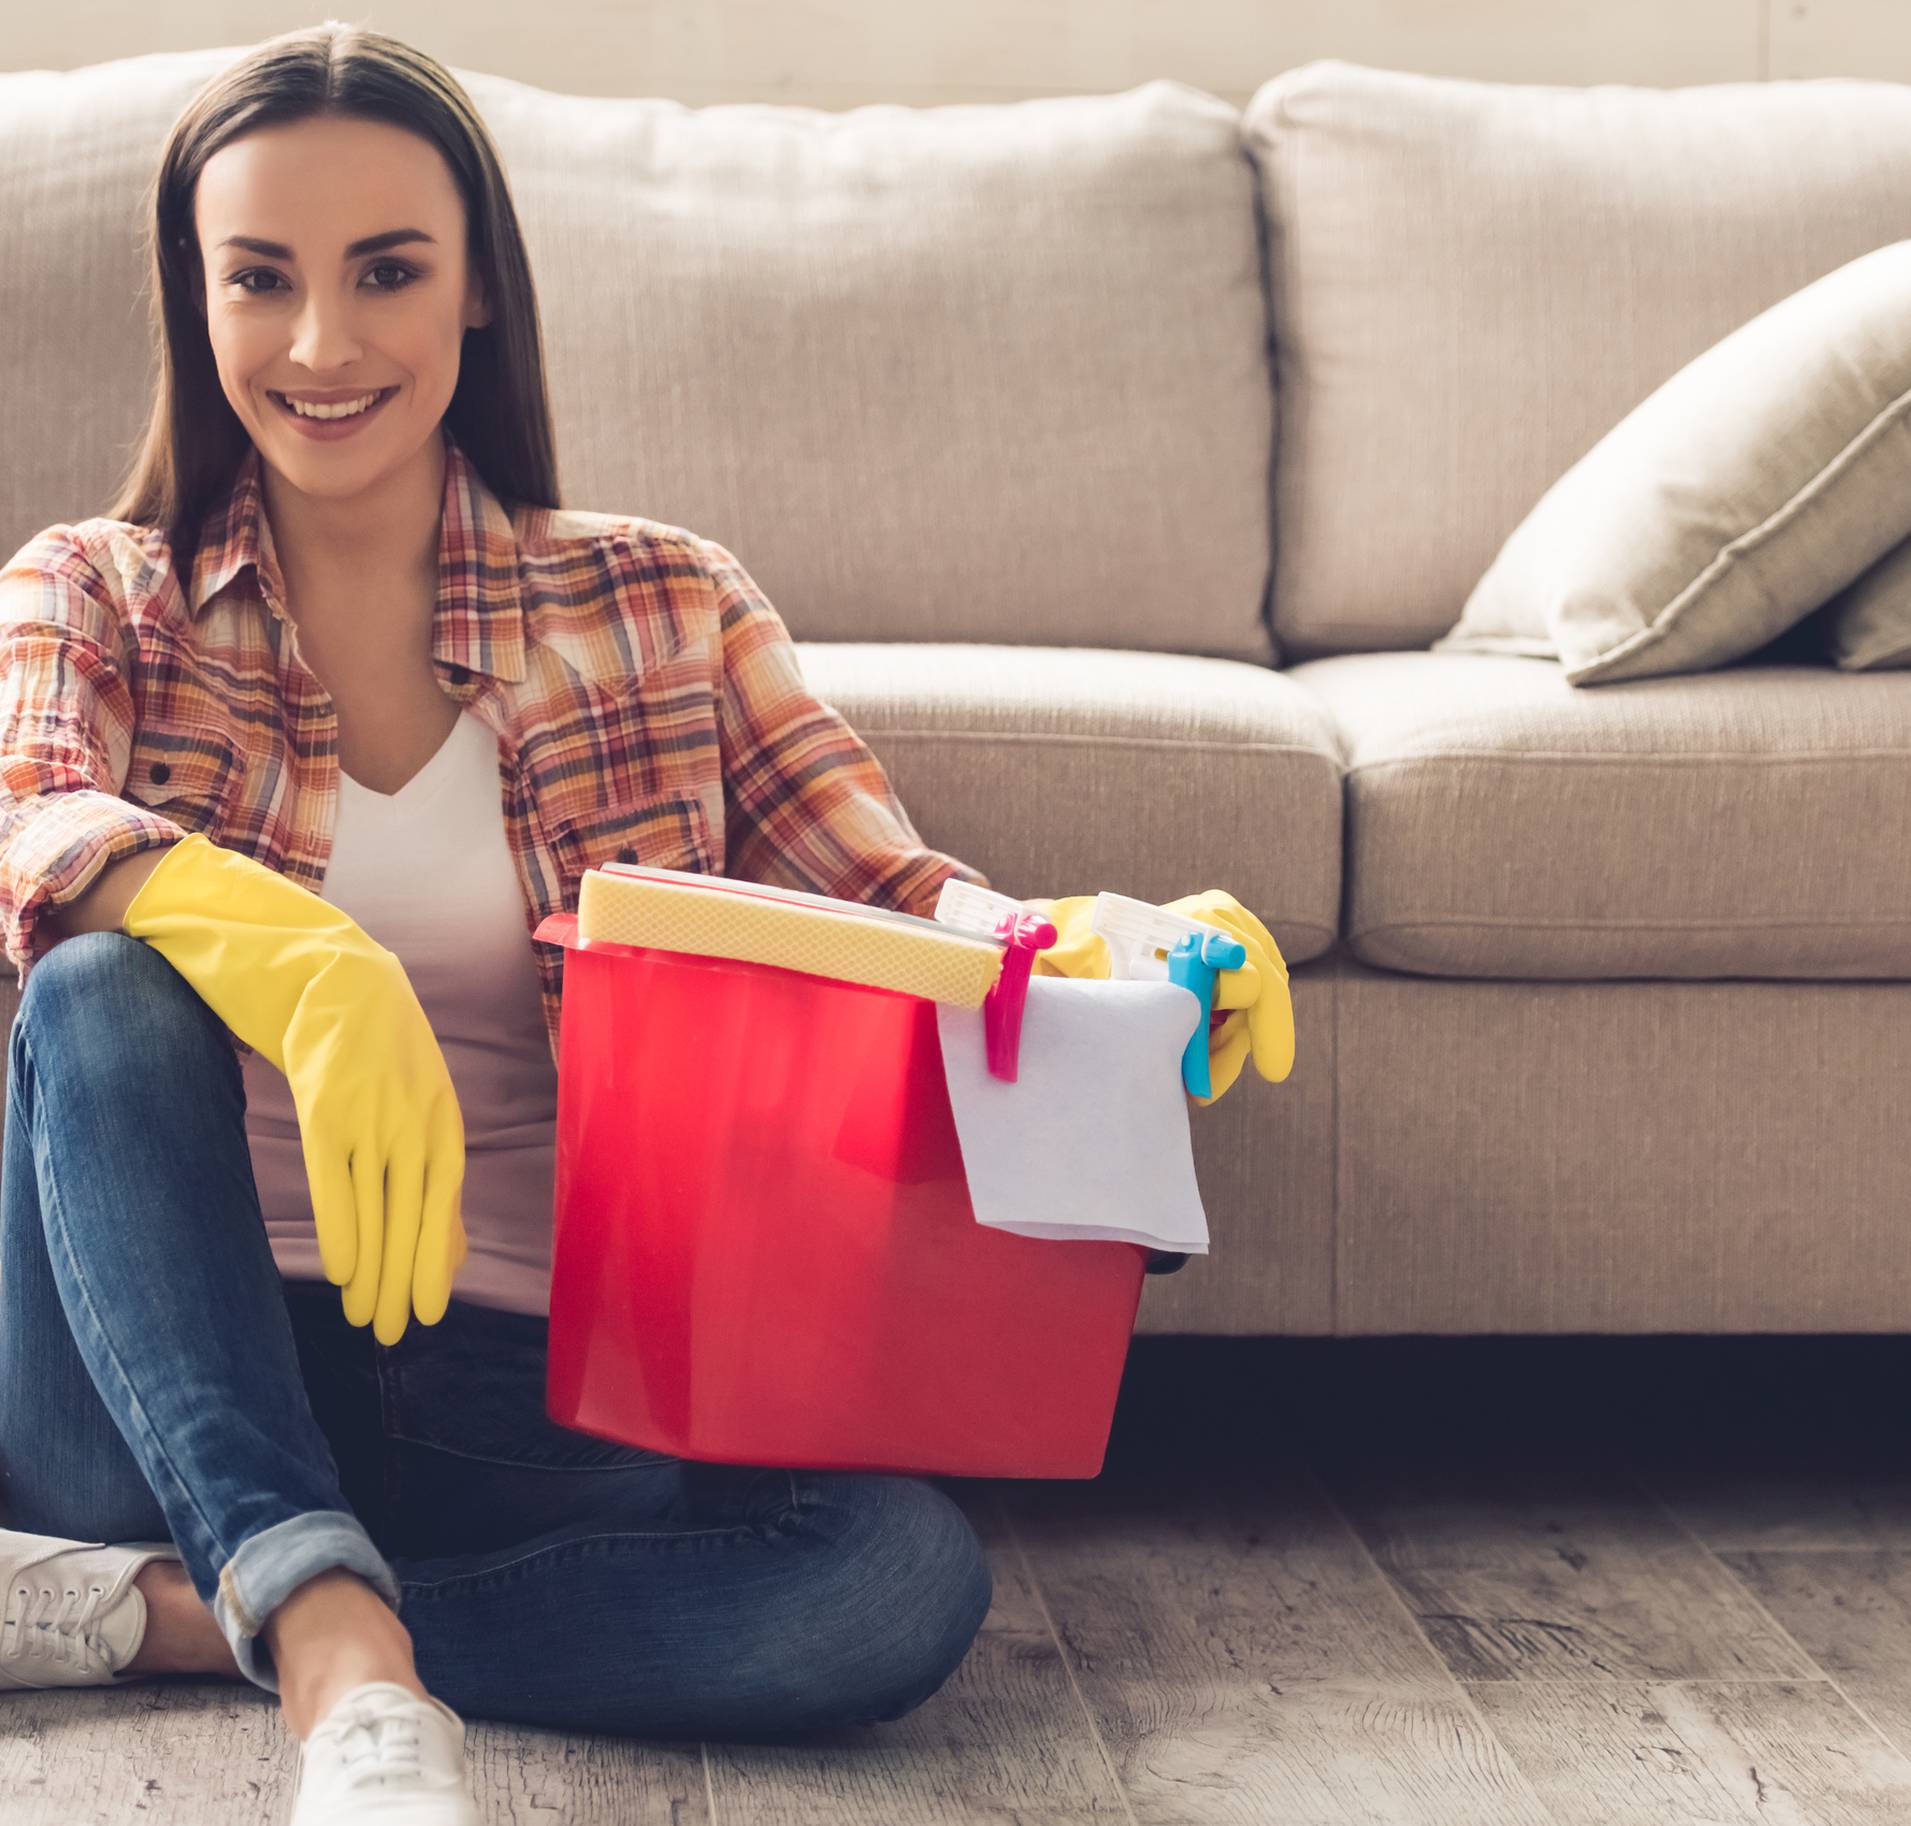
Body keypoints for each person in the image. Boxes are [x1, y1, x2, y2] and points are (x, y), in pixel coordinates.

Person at [0, 22, 1292, 1826]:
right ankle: (343, 1670)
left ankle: (177, 1611)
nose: (320, 344)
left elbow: (904, 907)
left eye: (387, 273)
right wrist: (285, 951)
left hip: (519, 1390)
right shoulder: (97, 595)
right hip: (145, 1377)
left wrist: (1110, 947)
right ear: (194, 302)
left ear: (477, 301)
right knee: (106, 984)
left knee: (895, 1578)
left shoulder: (659, 604)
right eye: (261, 281)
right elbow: (26, 812)